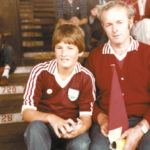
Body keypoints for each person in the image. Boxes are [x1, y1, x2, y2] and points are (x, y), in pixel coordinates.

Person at [85, 1, 150, 150]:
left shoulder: (147, 54)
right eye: (109, 24)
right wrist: (101, 118)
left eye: (120, 22)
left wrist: (141, 129)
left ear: (130, 22)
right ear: (103, 27)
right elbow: (86, 97)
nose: (115, 29)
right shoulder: (95, 57)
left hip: (144, 121)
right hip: (108, 121)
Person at [22, 23, 96, 150]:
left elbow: (86, 116)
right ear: (54, 50)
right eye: (59, 48)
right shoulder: (40, 71)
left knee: (82, 143)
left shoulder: (86, 77)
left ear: (80, 51)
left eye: (70, 48)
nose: (64, 53)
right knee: (34, 128)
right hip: (46, 125)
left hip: (71, 126)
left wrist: (80, 129)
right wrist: (52, 118)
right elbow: (26, 113)